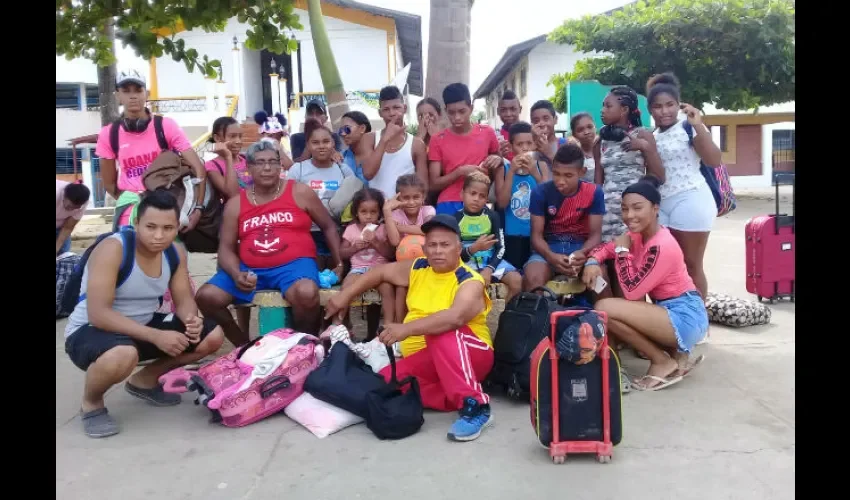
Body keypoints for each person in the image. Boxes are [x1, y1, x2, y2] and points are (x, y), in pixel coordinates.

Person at [63, 190, 225, 438]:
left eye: (168, 228)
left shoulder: (175, 253)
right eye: (150, 226)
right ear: (136, 223)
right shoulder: (113, 249)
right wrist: (156, 337)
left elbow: (183, 300)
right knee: (123, 354)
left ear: (177, 228)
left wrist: (193, 320)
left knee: (211, 336)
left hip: (142, 325)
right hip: (91, 331)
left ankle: (144, 381)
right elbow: (98, 314)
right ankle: (92, 403)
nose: (159, 236)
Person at [324, 214, 495, 442]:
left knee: (440, 330)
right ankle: (454, 394)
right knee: (386, 380)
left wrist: (406, 329)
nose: (437, 251)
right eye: (432, 245)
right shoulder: (419, 267)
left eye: (445, 245)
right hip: (432, 358)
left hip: (473, 353)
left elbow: (454, 318)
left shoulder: (469, 280)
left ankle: (477, 406)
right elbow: (379, 272)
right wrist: (343, 296)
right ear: (424, 248)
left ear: (458, 248)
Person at [195, 140, 343, 346]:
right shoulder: (236, 203)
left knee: (306, 293)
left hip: (295, 265)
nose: (267, 168)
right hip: (250, 269)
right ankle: (243, 346)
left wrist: (340, 263)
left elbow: (328, 226)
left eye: (273, 162)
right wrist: (237, 274)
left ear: (280, 166)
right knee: (206, 296)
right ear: (248, 168)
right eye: (260, 162)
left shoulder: (299, 192)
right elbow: (226, 248)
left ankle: (304, 346)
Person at [582, 176, 708, 391]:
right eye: (624, 209)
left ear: (655, 208)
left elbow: (632, 292)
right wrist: (592, 262)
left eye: (637, 208)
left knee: (603, 308)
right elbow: (604, 249)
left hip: (684, 316)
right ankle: (674, 355)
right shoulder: (637, 236)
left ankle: (661, 360)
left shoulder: (661, 245)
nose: (629, 215)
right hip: (668, 310)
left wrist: (622, 252)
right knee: (610, 313)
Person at [95, 70, 207, 233]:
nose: (133, 96)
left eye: (138, 90)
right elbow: (109, 184)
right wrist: (132, 198)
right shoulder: (108, 134)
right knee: (128, 253)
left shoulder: (165, 126)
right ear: (117, 96)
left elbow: (198, 167)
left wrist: (197, 208)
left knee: (171, 256)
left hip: (165, 203)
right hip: (130, 205)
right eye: (126, 91)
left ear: (146, 94)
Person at [647, 73, 721, 301]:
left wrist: (698, 125)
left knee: (691, 263)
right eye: (658, 106)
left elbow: (714, 160)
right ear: (650, 110)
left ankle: (699, 318)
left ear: (679, 105)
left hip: (691, 200)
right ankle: (671, 315)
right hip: (662, 205)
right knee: (665, 263)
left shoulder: (688, 127)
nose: (664, 111)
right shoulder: (652, 136)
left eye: (670, 105)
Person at [523, 144, 605, 291]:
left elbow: (596, 235)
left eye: (568, 175)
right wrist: (550, 256)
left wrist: (583, 253)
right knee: (533, 278)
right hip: (548, 247)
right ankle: (539, 313)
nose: (560, 180)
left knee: (600, 280)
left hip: (581, 247)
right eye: (556, 173)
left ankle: (601, 313)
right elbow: (536, 236)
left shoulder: (594, 192)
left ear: (582, 172)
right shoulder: (540, 192)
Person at [287, 118, 358, 270]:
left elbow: (355, 203)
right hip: (306, 234)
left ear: (333, 144)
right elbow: (286, 202)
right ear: (308, 145)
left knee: (337, 271)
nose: (321, 146)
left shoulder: (343, 169)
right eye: (315, 142)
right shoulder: (297, 170)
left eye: (326, 141)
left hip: (337, 233)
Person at [428, 83, 502, 215]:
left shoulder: (487, 133)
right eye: (451, 112)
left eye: (462, 111)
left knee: (483, 237)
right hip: (448, 203)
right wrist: (460, 172)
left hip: (478, 201)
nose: (457, 117)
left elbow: (499, 162)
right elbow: (433, 184)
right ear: (445, 111)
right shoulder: (437, 139)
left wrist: (497, 159)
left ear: (471, 108)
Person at [455, 172, 522, 302]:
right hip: (467, 263)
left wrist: (489, 269)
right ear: (462, 194)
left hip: (492, 262)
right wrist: (474, 248)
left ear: (487, 199)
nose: (476, 199)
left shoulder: (493, 216)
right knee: (471, 286)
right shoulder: (455, 219)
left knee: (516, 280)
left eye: (482, 196)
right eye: (472, 193)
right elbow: (456, 253)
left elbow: (501, 247)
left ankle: (505, 318)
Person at [494, 121, 549, 269]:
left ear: (535, 145)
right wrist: (511, 172)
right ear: (511, 147)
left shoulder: (541, 166)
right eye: (519, 144)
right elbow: (501, 203)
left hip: (536, 235)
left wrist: (534, 173)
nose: (525, 148)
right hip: (512, 235)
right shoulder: (504, 169)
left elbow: (548, 199)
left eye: (529, 143)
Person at [339, 188, 395, 327]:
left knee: (387, 289)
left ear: (380, 212)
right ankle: (340, 325)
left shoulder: (383, 229)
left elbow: (390, 253)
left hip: (380, 270)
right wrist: (354, 248)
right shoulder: (351, 229)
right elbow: (342, 253)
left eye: (373, 212)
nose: (368, 216)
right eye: (364, 212)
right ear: (356, 212)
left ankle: (388, 326)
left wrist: (375, 242)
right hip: (358, 269)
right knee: (346, 287)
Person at [383, 174, 436, 323]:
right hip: (403, 265)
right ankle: (400, 325)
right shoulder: (395, 215)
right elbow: (394, 241)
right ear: (398, 199)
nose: (411, 202)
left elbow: (427, 230)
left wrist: (401, 227)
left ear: (423, 197)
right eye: (406, 198)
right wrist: (387, 212)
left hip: (426, 265)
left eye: (416, 197)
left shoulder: (428, 211)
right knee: (401, 287)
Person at [360, 86, 429, 198]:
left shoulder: (416, 144)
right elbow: (368, 173)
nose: (392, 113)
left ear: (404, 108)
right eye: (386, 109)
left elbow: (423, 186)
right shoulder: (369, 139)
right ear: (380, 113)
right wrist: (384, 140)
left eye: (396, 107)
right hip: (377, 210)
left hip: (405, 209)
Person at [56, 181, 91, 255]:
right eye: (69, 206)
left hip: (61, 226)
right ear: (64, 196)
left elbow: (67, 228)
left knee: (63, 254)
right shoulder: (57, 193)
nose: (71, 209)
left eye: (76, 208)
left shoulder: (83, 202)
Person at [339, 111, 373, 186]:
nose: (343, 134)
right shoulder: (340, 157)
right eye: (341, 130)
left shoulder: (378, 154)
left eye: (347, 129)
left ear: (362, 128)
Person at [529, 100, 567, 169]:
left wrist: (549, 152)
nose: (541, 124)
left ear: (555, 119)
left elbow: (569, 172)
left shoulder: (566, 145)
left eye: (546, 119)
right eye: (536, 121)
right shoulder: (527, 146)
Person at [570, 112, 598, 183]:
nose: (586, 132)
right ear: (574, 134)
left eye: (590, 127)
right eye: (580, 130)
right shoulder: (574, 156)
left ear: (595, 127)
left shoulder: (605, 149)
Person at [496, 90, 522, 161]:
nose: (508, 114)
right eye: (503, 110)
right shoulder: (495, 138)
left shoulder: (531, 133)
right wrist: (499, 157)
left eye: (513, 109)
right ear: (498, 111)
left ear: (520, 109)